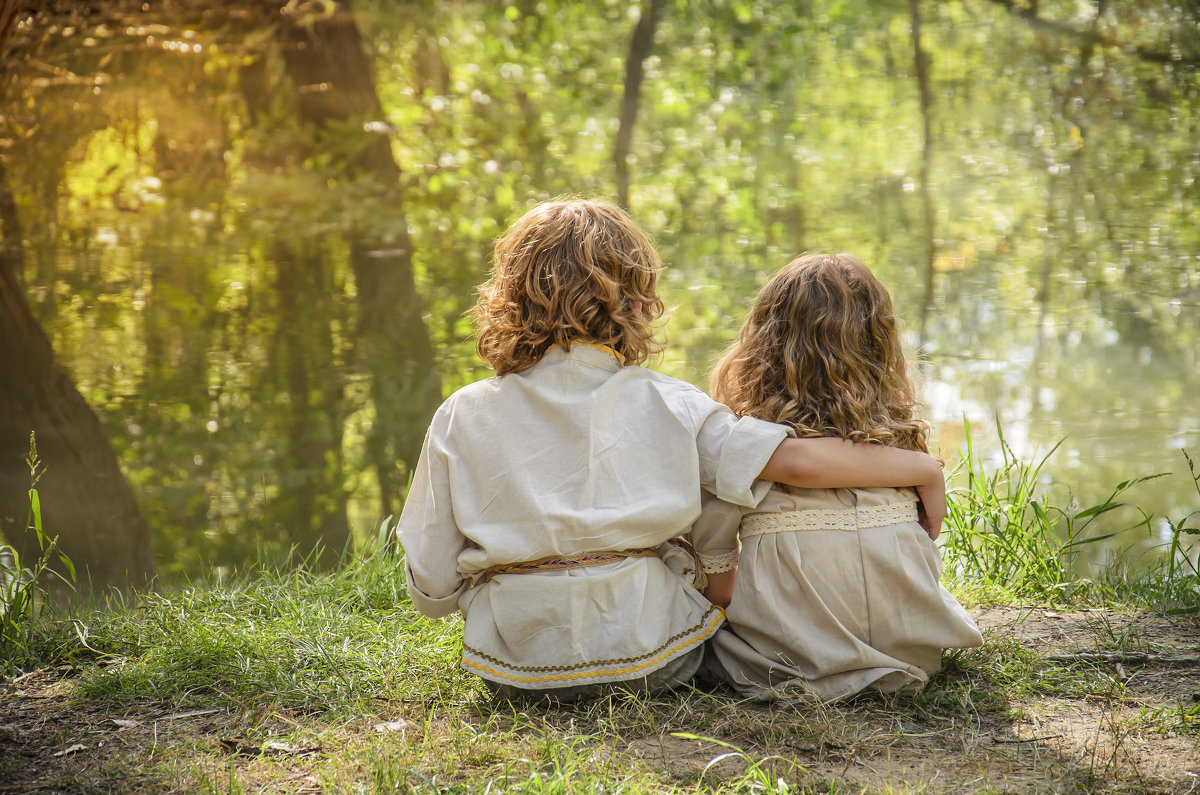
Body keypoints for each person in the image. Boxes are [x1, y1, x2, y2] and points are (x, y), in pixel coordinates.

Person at [397, 202, 948, 702]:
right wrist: (922, 467)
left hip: (512, 665)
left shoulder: (462, 412)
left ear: (507, 299)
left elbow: (431, 581)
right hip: (652, 658)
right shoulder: (672, 403)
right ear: (638, 303)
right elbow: (796, 463)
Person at [697, 253, 983, 703]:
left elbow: (714, 548)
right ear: (880, 343)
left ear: (765, 343)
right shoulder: (898, 439)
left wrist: (724, 603)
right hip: (909, 647)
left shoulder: (749, 442)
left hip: (793, 659)